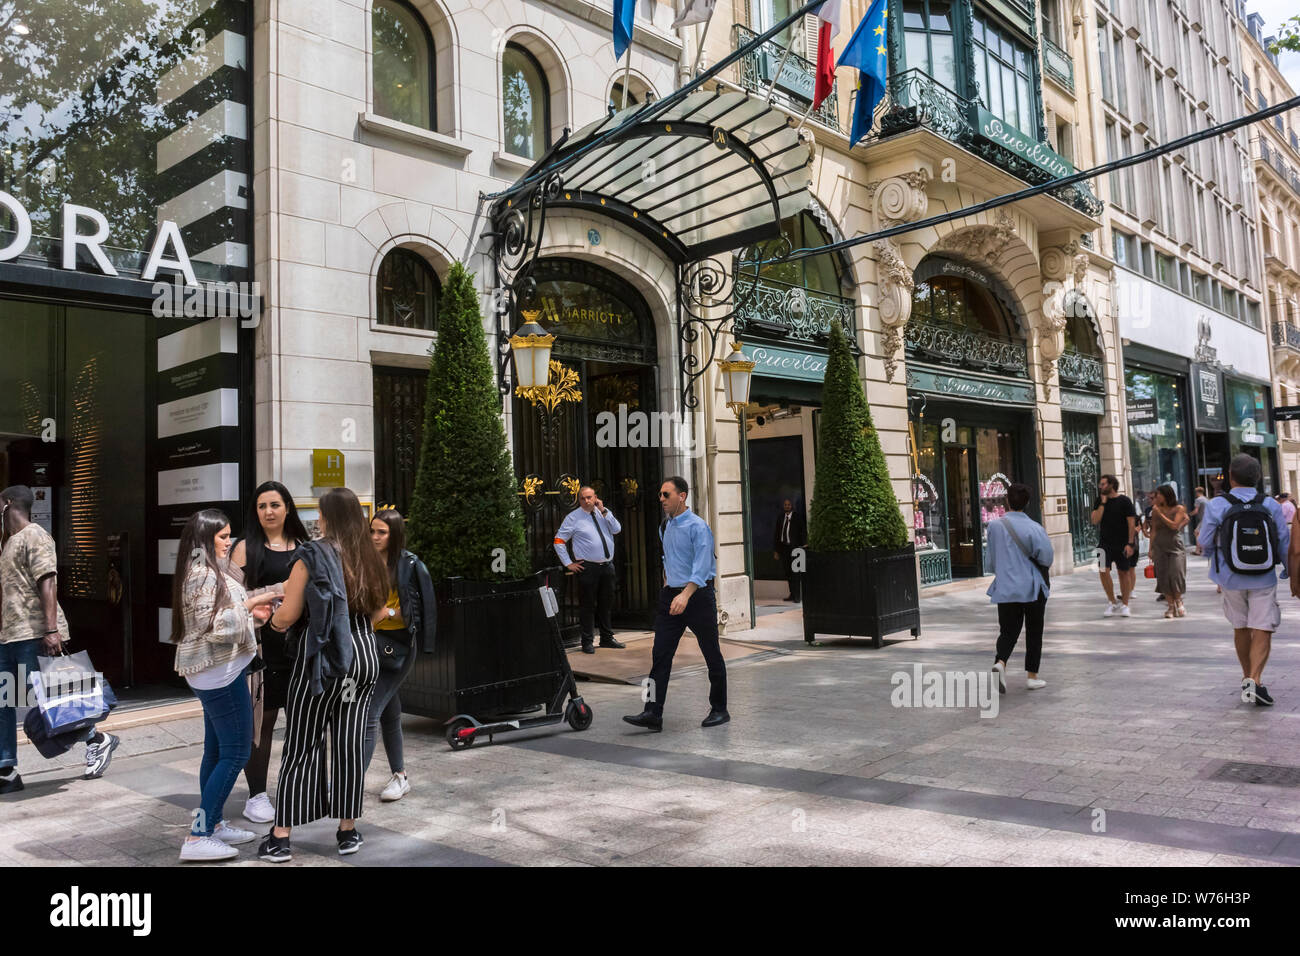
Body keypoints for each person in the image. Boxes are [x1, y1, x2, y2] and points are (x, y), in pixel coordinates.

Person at [258, 487, 387, 862]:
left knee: (303, 742)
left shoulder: (311, 556)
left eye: (320, 513)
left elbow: (289, 614)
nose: (317, 519)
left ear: (328, 517)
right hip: (363, 657)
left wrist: (276, 622)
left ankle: (281, 836)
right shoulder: (371, 556)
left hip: (323, 660)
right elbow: (380, 614)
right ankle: (347, 832)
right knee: (349, 743)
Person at [171, 509, 278, 861]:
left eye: (229, 534)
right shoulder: (201, 574)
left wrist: (251, 613)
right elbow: (218, 629)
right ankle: (198, 836)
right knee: (236, 753)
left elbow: (224, 619)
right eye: (222, 536)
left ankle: (212, 823)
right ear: (204, 539)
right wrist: (252, 603)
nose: (228, 541)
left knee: (216, 752)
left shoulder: (203, 569)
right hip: (220, 674)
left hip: (218, 672)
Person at [0, 485, 120, 795]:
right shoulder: (8, 541)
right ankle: (6, 769)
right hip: (8, 636)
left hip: (34, 633)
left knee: (48, 700)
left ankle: (97, 738)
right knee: (3, 700)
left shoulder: (35, 536)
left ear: (8, 503)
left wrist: (51, 630)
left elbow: (49, 582)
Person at [229, 480, 310, 825]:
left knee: (304, 722)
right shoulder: (245, 548)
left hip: (302, 647)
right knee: (262, 722)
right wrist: (280, 592)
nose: (268, 512)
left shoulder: (305, 547)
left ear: (287, 507)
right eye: (262, 506)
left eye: (274, 505)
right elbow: (232, 599)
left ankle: (300, 789)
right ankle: (257, 795)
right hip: (261, 648)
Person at [623, 476, 728, 732]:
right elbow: (667, 557)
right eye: (660, 494)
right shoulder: (665, 526)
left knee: (711, 652)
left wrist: (685, 594)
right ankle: (652, 712)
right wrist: (669, 588)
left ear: (682, 496)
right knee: (659, 654)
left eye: (666, 495)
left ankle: (720, 709)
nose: (661, 499)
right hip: (671, 597)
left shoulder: (698, 527)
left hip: (698, 597)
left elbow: (703, 567)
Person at [1198, 454, 1290, 707]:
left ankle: (1247, 678)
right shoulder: (1270, 505)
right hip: (1263, 576)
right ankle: (1255, 680)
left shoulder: (1218, 505)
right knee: (1263, 627)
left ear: (1230, 477)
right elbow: (1283, 540)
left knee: (1240, 627)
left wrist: (1209, 556)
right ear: (1258, 477)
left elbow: (1204, 542)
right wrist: (1289, 570)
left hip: (1229, 577)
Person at [365, 508, 436, 802]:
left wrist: (392, 612)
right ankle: (400, 776)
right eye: (372, 531)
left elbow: (428, 606)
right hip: (372, 643)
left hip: (401, 645)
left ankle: (350, 781)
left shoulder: (410, 563)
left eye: (382, 532)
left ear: (394, 534)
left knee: (370, 714)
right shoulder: (366, 563)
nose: (375, 537)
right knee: (390, 714)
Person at [985, 483, 1052, 693]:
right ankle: (1032, 676)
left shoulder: (994, 527)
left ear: (1007, 501)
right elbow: (1046, 558)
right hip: (1032, 587)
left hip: (1005, 588)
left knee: (1008, 631)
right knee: (1034, 630)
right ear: (1028, 503)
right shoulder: (1035, 528)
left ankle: (1000, 663)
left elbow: (990, 562)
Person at [553, 486, 625, 654]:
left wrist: (604, 511)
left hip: (607, 566)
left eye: (589, 497)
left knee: (606, 604)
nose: (587, 501)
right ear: (579, 500)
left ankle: (607, 638)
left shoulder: (603, 513)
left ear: (596, 498)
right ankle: (587, 641)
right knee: (587, 606)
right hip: (589, 567)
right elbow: (558, 540)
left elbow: (617, 529)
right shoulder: (573, 518)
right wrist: (568, 563)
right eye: (583, 498)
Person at [1090, 474, 1138, 617]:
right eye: (1100, 484)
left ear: (1111, 485)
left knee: (1123, 572)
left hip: (1122, 543)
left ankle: (1125, 604)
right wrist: (1103, 504)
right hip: (1104, 543)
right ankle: (1111, 601)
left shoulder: (1124, 501)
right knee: (1103, 570)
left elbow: (1131, 523)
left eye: (1103, 484)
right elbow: (1094, 520)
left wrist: (1130, 543)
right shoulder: (1099, 501)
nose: (1101, 486)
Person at [1148, 485, 1189, 619]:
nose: (1156, 497)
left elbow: (1174, 525)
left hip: (1175, 546)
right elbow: (1153, 530)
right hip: (1160, 546)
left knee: (1176, 574)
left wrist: (1160, 514)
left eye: (1158, 495)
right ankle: (1171, 606)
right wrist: (1150, 548)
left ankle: (1179, 601)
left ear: (1166, 495)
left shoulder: (1179, 509)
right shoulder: (1155, 511)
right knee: (1163, 575)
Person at [772, 498, 807, 602]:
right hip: (784, 549)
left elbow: (802, 531)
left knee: (795, 573)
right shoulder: (780, 517)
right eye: (785, 505)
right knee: (788, 573)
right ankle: (792, 594)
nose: (787, 506)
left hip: (795, 549)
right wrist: (776, 550)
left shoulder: (797, 517)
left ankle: (797, 596)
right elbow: (777, 534)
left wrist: (804, 543)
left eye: (788, 504)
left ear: (792, 506)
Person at [1191, 486, 1209, 556]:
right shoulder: (1206, 499)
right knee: (1201, 533)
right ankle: (1201, 549)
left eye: (1195, 492)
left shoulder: (1198, 500)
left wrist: (1189, 514)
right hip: (1207, 518)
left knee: (1196, 533)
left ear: (1197, 492)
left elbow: (1196, 511)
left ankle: (1198, 550)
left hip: (1203, 519)